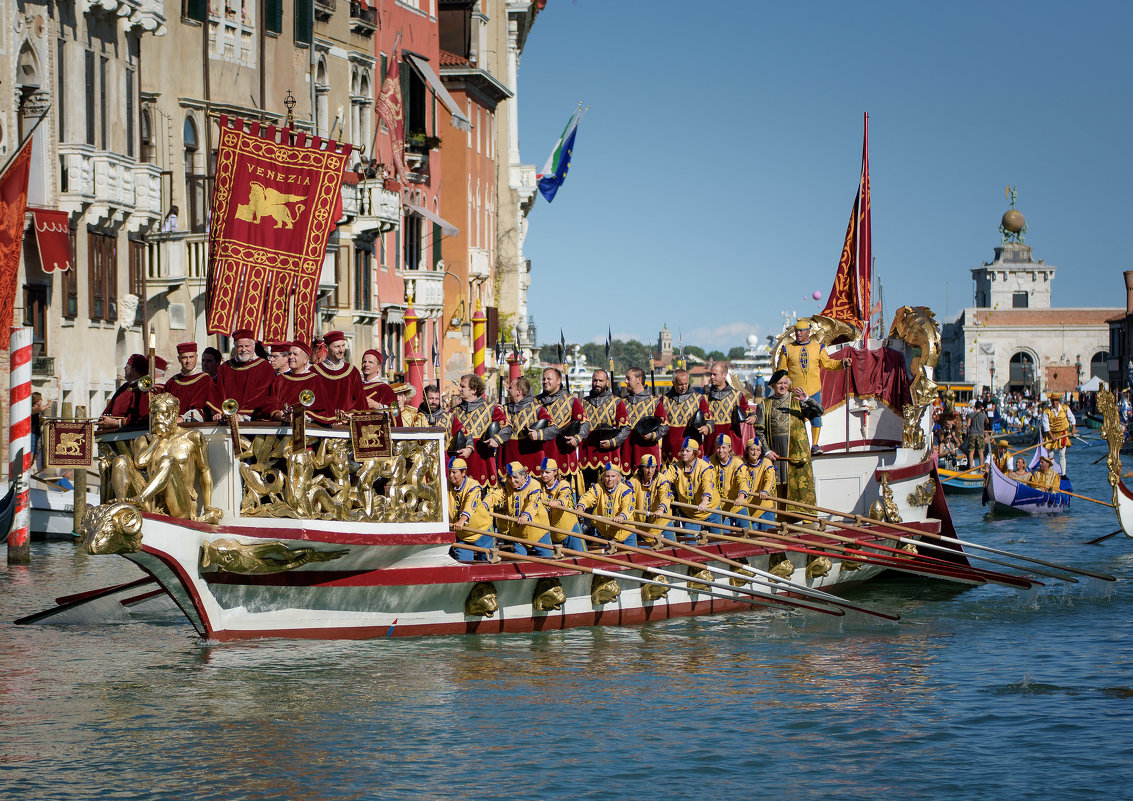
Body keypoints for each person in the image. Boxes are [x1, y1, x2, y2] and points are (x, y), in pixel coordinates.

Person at [751, 369, 823, 524]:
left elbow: (819, 412)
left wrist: (808, 400)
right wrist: (767, 451)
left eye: (785, 383)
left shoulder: (797, 401)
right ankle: (782, 519)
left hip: (796, 450)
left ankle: (806, 519)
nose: (782, 387)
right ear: (773, 386)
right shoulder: (765, 404)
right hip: (775, 451)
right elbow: (759, 430)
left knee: (798, 484)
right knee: (779, 483)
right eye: (779, 384)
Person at [775, 318, 849, 455]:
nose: (798, 334)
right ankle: (797, 446)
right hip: (795, 392)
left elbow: (828, 364)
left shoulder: (818, 348)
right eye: (796, 331)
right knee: (796, 420)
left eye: (801, 331)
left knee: (816, 416)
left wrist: (841, 363)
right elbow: (781, 372)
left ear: (808, 332)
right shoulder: (788, 349)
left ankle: (815, 445)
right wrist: (782, 386)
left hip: (814, 390)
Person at [484, 462, 552, 557]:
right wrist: (483, 505)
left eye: (515, 477)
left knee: (548, 558)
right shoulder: (505, 484)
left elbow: (533, 503)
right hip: (518, 532)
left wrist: (525, 515)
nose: (512, 481)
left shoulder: (534, 485)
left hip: (538, 530)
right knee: (519, 561)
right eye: (509, 477)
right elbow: (495, 496)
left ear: (524, 476)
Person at [451, 373, 508, 487]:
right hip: (461, 463)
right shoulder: (454, 412)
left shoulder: (491, 409)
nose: (459, 389)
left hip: (483, 461)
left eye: (462, 386)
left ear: (473, 390)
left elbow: (507, 427)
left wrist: (497, 439)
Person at [536, 367, 588, 487]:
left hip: (562, 452)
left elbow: (584, 423)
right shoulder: (535, 401)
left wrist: (577, 438)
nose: (545, 381)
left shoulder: (571, 401)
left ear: (558, 381)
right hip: (540, 452)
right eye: (543, 379)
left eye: (549, 378)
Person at [208, 330, 275, 421]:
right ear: (235, 347)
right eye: (240, 346)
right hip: (226, 418)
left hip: (252, 420)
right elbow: (220, 392)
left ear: (253, 346)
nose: (244, 349)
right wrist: (220, 412)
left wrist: (241, 415)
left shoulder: (264, 367)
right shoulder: (225, 368)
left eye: (247, 346)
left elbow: (260, 395)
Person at [579, 369, 630, 486]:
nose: (597, 383)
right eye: (595, 380)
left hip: (610, 454)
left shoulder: (617, 402)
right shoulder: (583, 402)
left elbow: (625, 428)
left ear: (607, 382)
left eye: (601, 381)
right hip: (588, 454)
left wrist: (613, 442)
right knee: (589, 490)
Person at [499, 376, 552, 477]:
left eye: (510, 387)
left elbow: (553, 428)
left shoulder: (537, 409)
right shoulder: (504, 409)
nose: (507, 389)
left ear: (519, 391)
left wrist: (539, 434)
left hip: (531, 461)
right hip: (509, 459)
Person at [667, 437, 722, 536]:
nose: (684, 453)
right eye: (682, 450)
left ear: (695, 453)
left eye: (688, 451)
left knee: (718, 541)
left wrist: (705, 501)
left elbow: (707, 485)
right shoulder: (675, 467)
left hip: (710, 509)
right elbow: (664, 480)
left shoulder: (704, 467)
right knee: (690, 541)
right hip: (690, 513)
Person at [576, 463, 637, 547]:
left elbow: (628, 506)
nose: (610, 479)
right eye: (607, 476)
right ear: (603, 477)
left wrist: (621, 516)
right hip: (604, 535)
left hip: (625, 535)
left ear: (618, 478)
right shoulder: (598, 487)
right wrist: (580, 507)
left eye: (613, 476)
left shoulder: (625, 490)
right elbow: (588, 497)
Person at [448, 457, 495, 562]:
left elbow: (470, 504)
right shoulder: (446, 485)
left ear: (463, 472)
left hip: (482, 531)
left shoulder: (474, 485)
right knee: (464, 565)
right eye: (449, 472)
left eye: (454, 472)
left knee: (487, 565)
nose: (451, 475)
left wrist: (462, 520)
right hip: (462, 534)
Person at [705, 361, 755, 457]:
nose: (711, 377)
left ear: (724, 375)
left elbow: (747, 410)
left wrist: (752, 416)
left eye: (715, 374)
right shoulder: (705, 397)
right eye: (710, 374)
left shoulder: (737, 395)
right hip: (712, 444)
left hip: (733, 443)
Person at [269, 341, 328, 422]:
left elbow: (322, 410)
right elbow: (269, 403)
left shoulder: (315, 380)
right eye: (290, 354)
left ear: (305, 360)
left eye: (295, 354)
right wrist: (278, 414)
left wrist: (305, 416)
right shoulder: (280, 379)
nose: (291, 357)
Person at [660, 369, 711, 462]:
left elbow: (709, 420)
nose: (684, 387)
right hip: (670, 449)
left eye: (686, 384)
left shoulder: (699, 398)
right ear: (673, 382)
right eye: (680, 384)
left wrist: (706, 428)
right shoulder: (664, 399)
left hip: (692, 447)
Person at [538, 457, 587, 552]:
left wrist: (558, 502)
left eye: (547, 472)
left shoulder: (563, 484)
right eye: (542, 472)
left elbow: (564, 496)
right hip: (551, 531)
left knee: (580, 557)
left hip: (569, 528)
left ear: (555, 472)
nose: (544, 475)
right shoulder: (538, 485)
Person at [621, 367, 666, 469]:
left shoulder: (654, 402)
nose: (625, 381)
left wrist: (652, 435)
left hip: (647, 450)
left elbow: (664, 426)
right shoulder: (622, 402)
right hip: (626, 452)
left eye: (628, 378)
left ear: (639, 380)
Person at [313, 330, 365, 416]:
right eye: (337, 346)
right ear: (326, 348)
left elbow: (360, 403)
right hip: (320, 426)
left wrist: (351, 414)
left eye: (343, 345)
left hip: (346, 426)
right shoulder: (314, 371)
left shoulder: (352, 372)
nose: (341, 350)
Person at [164, 342, 216, 422]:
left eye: (191, 357)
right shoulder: (172, 382)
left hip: (195, 427)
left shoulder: (205, 379)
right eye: (184, 357)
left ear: (196, 357)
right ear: (179, 359)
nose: (188, 361)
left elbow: (205, 408)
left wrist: (183, 418)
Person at [97, 353, 150, 431]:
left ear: (133, 371)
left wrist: (115, 423)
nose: (124, 368)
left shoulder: (143, 389)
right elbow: (108, 410)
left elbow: (140, 416)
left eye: (126, 366)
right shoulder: (125, 387)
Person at [628, 454, 672, 545]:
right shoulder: (633, 481)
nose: (650, 471)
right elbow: (628, 499)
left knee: (674, 549)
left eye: (653, 467)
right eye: (647, 468)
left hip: (662, 522)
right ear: (641, 468)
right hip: (641, 525)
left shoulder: (661, 479)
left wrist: (661, 509)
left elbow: (665, 496)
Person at [710, 434, 751, 530]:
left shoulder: (737, 463)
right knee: (722, 537)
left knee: (747, 532)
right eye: (718, 448)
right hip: (719, 506)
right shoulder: (710, 461)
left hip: (737, 504)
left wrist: (741, 497)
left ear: (729, 448)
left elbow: (743, 482)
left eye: (724, 448)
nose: (721, 451)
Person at [742, 438, 777, 530]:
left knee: (770, 534)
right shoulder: (742, 463)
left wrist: (765, 491)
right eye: (752, 450)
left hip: (764, 506)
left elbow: (770, 479)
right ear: (747, 451)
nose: (755, 453)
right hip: (749, 507)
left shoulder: (766, 462)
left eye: (758, 450)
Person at [1042, 392, 1077, 475]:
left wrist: (1073, 429)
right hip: (1051, 434)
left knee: (1062, 454)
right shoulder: (1047, 411)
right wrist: (1052, 436)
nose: (1055, 402)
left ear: (1059, 401)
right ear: (1051, 401)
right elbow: (1046, 426)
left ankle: (1063, 474)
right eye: (1053, 400)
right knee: (1050, 455)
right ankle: (1050, 473)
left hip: (1062, 434)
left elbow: (1072, 418)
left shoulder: (1065, 408)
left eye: (1056, 400)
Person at [964, 401, 991, 469]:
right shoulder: (983, 415)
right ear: (981, 407)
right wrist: (984, 414)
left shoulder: (971, 414)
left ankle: (970, 466)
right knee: (981, 451)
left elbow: (968, 424)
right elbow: (987, 422)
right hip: (980, 434)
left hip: (972, 433)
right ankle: (981, 467)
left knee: (971, 451)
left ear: (975, 407)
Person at [30, 391, 46, 465]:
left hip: (37, 433)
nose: (41, 401)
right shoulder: (32, 409)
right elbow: (40, 409)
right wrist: (48, 405)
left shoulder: (37, 410)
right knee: (32, 452)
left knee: (35, 453)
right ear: (37, 400)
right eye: (40, 399)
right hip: (32, 433)